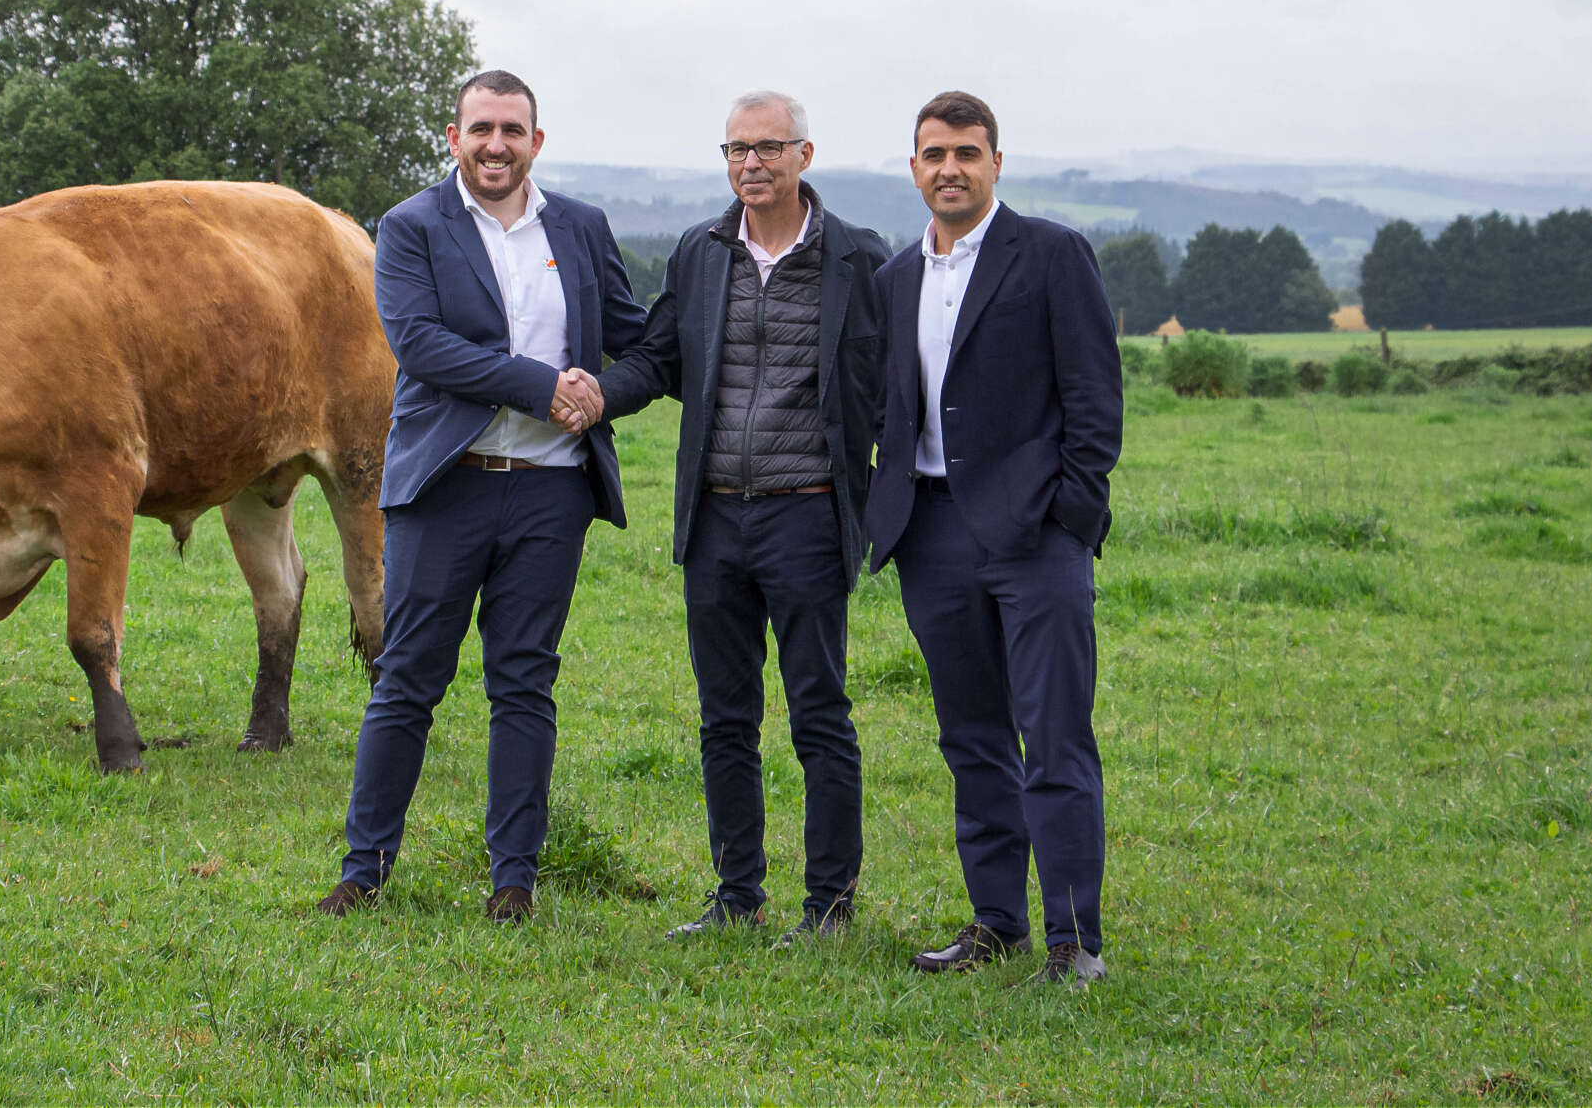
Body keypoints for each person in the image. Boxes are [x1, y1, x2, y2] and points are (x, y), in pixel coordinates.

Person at [315, 69, 647, 924]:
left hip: (550, 495)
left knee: (524, 683)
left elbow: (638, 341)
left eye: (512, 128)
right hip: (444, 489)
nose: (495, 143)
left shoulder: (580, 227)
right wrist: (545, 386)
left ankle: (514, 882)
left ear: (537, 140)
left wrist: (607, 394)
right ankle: (364, 871)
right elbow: (422, 345)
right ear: (454, 137)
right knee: (406, 680)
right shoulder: (412, 225)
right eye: (480, 128)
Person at [590, 90, 888, 941]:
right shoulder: (701, 252)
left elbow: (894, 383)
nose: (750, 163)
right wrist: (593, 396)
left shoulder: (857, 259)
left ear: (805, 154)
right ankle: (737, 898)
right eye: (735, 149)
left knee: (819, 713)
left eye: (768, 147)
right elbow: (658, 356)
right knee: (725, 717)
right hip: (715, 518)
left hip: (809, 514)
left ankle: (829, 905)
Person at [865, 90, 1123, 987]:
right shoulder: (896, 278)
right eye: (934, 153)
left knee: (1054, 736)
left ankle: (1073, 939)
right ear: (913, 168)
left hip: (1036, 537)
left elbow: (1094, 399)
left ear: (996, 163)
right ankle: (998, 921)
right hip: (930, 535)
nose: (950, 168)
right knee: (971, 737)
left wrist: (1071, 517)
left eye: (967, 152)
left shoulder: (1051, 255)